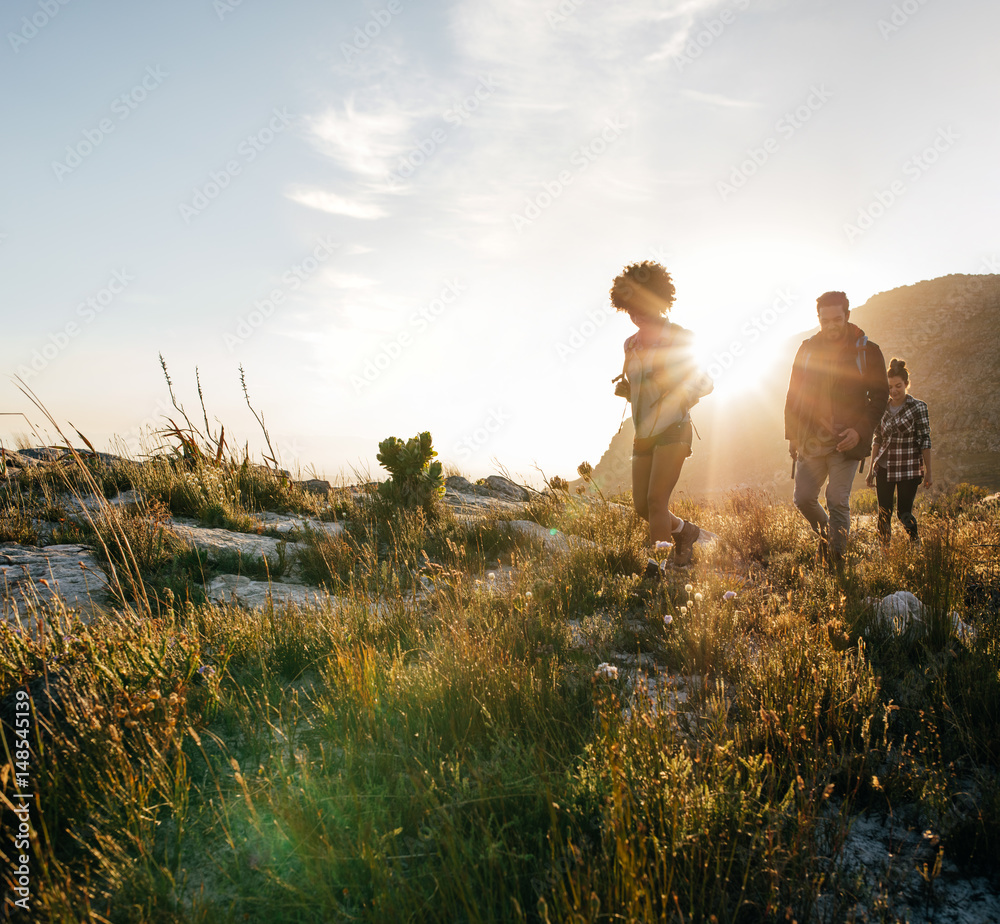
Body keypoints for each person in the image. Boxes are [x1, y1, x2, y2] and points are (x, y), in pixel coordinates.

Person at [611, 261, 713, 568]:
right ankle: (686, 531)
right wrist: (628, 390)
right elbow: (641, 385)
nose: (635, 313)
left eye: (640, 304)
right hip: (643, 433)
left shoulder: (680, 337)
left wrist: (676, 396)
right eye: (629, 307)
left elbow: (705, 383)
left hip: (673, 429)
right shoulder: (630, 344)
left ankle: (656, 573)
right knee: (642, 506)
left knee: (657, 501)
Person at [784, 291, 888, 565]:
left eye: (837, 319)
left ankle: (837, 559)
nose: (831, 325)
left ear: (847, 316)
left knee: (837, 498)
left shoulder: (867, 351)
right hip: (812, 439)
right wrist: (792, 435)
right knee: (804, 497)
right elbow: (793, 395)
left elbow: (879, 398)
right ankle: (829, 537)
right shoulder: (806, 350)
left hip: (847, 440)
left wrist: (860, 431)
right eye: (824, 320)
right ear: (818, 319)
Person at [865, 358, 932, 546]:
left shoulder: (918, 407)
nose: (894, 391)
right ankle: (884, 550)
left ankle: (915, 542)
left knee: (904, 512)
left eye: (898, 386)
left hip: (909, 467)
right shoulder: (882, 408)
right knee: (883, 512)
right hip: (885, 467)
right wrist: (871, 470)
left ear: (906, 384)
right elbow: (877, 439)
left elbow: (924, 439)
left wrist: (929, 471)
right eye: (890, 387)